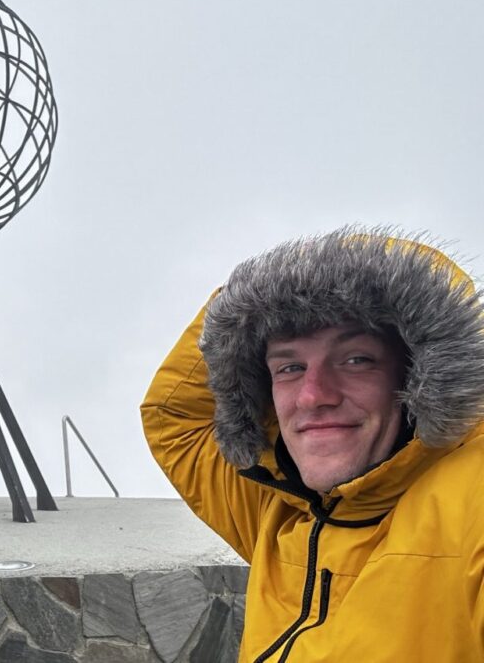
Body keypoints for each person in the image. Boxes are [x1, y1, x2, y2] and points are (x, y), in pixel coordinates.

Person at [140, 227, 484, 662]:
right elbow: (175, 419)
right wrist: (252, 298)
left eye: (356, 360)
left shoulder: (472, 502)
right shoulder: (278, 508)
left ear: (420, 376)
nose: (312, 394)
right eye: (290, 367)